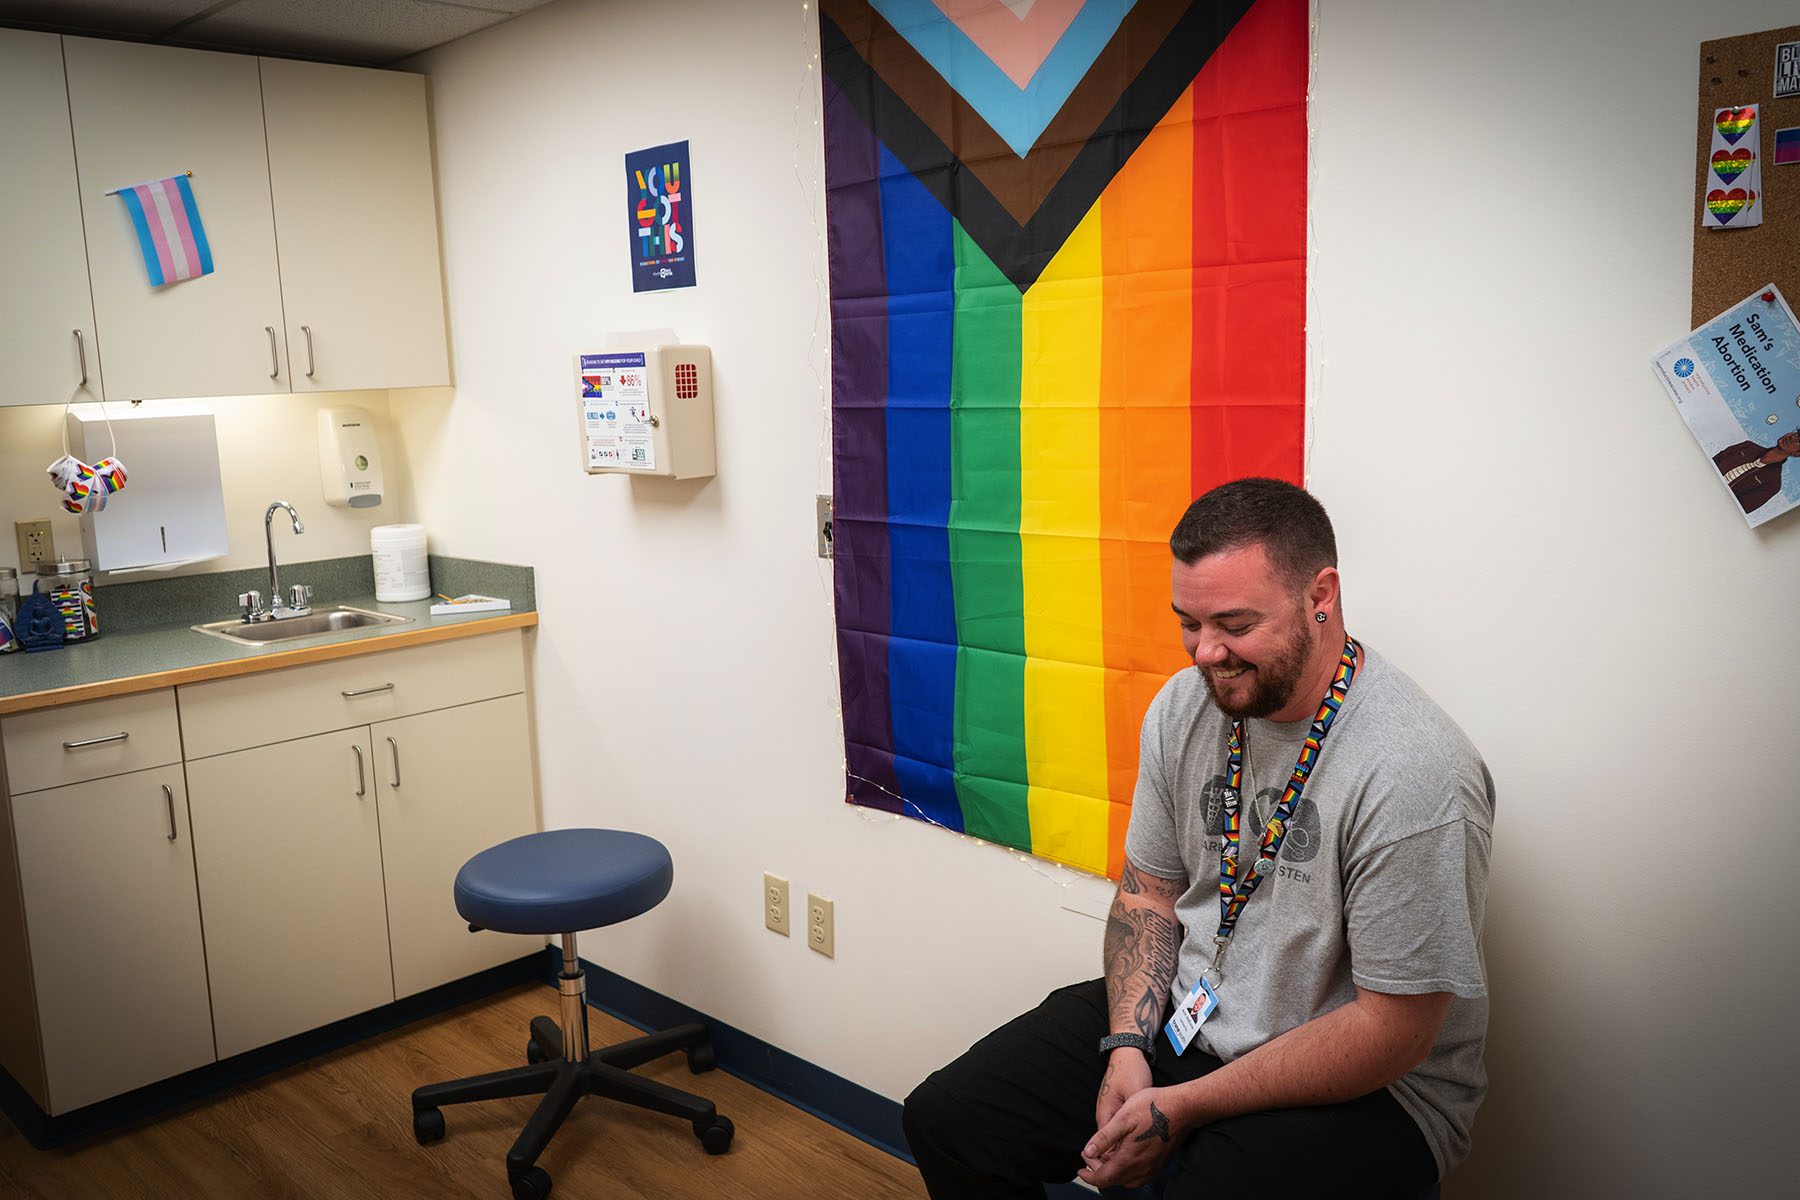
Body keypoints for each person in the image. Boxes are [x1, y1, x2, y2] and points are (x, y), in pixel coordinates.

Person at [903, 478, 1494, 1199]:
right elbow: (1149, 892)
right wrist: (1126, 1047)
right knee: (949, 1119)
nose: (1206, 653)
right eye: (1190, 622)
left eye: (1236, 625)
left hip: (1374, 1087)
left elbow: (1392, 1030)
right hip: (1196, 1019)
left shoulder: (1414, 769)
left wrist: (1183, 1106)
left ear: (1322, 596)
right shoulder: (1186, 708)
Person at [1713, 430, 1799, 515]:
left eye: (1798, 440)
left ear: (1797, 454)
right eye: (1795, 433)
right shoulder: (1747, 446)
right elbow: (1712, 461)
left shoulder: (1773, 484)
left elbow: (1738, 511)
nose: (1792, 437)